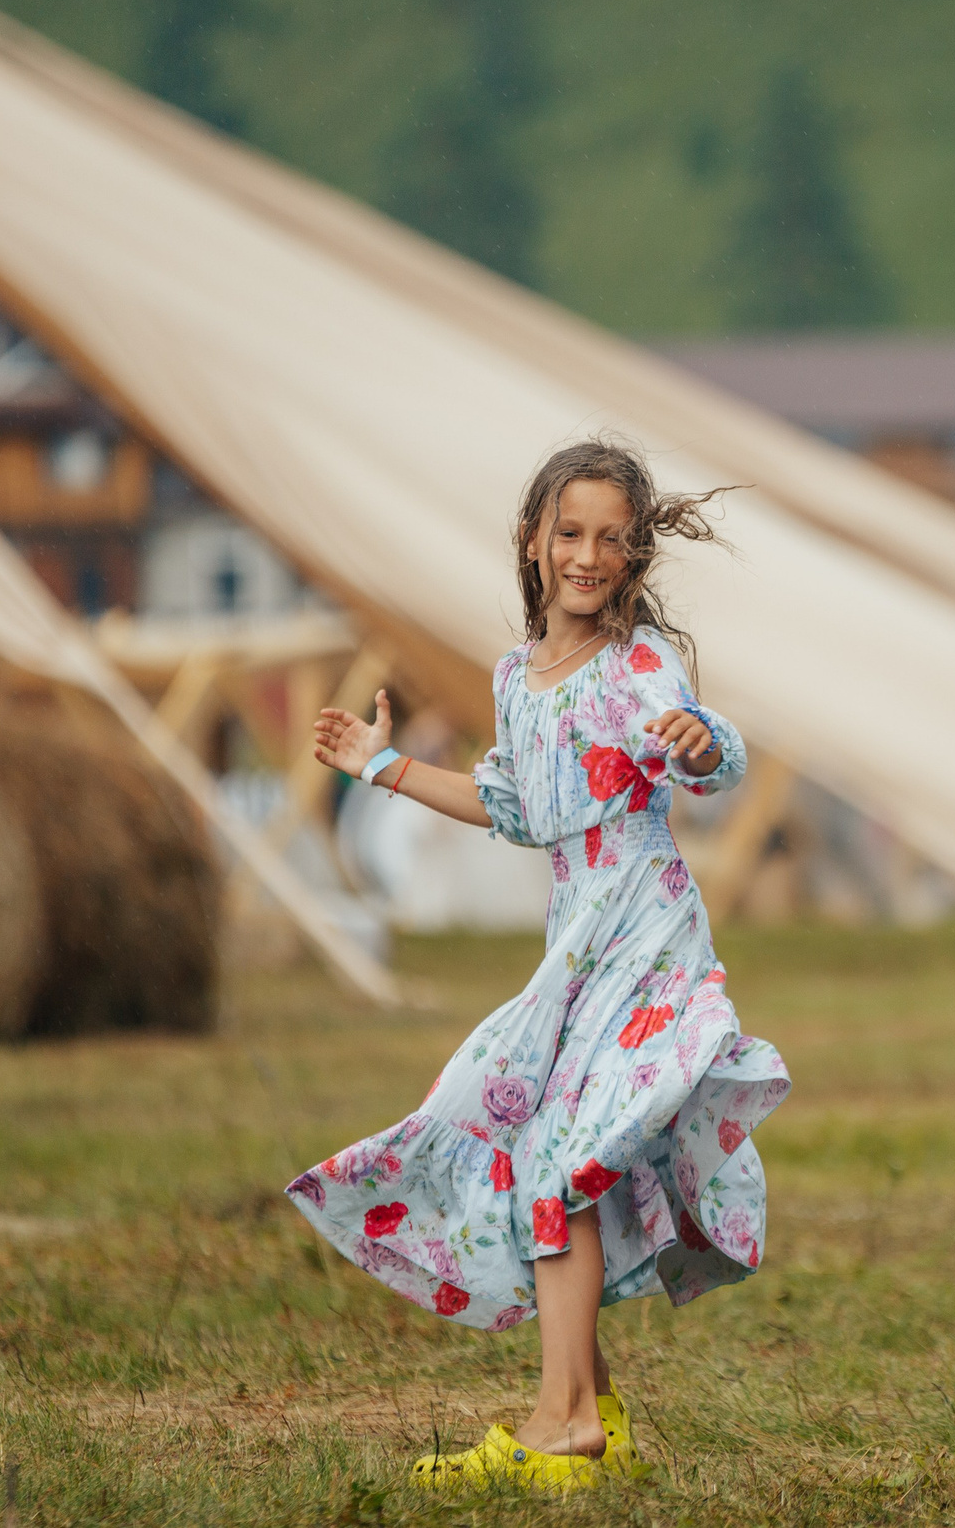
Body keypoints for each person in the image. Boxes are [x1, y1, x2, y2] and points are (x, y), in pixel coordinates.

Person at [293, 439, 790, 1495]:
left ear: (635, 556)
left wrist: (698, 743)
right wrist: (379, 766)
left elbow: (707, 748)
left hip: (648, 943)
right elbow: (514, 808)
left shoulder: (639, 663)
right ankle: (593, 1407)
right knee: (552, 1161)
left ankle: (559, 1426)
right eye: (569, 533)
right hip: (574, 952)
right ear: (532, 540)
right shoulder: (516, 675)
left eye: (612, 539)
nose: (588, 555)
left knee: (561, 1166)